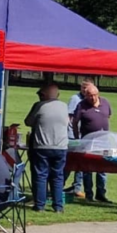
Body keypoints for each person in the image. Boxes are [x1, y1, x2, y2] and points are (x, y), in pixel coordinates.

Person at [24, 83, 68, 213]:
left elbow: (28, 122)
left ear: (44, 95)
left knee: (40, 175)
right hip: (61, 146)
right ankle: (58, 206)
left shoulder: (39, 106)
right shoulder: (64, 106)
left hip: (42, 146)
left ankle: (40, 205)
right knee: (58, 176)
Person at [72, 81, 112, 202]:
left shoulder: (105, 102)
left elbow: (108, 116)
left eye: (95, 95)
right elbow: (74, 123)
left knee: (102, 168)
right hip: (88, 141)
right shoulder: (81, 105)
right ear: (85, 95)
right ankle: (89, 194)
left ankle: (101, 194)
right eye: (90, 95)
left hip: (104, 141)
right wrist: (77, 138)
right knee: (87, 169)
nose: (93, 98)